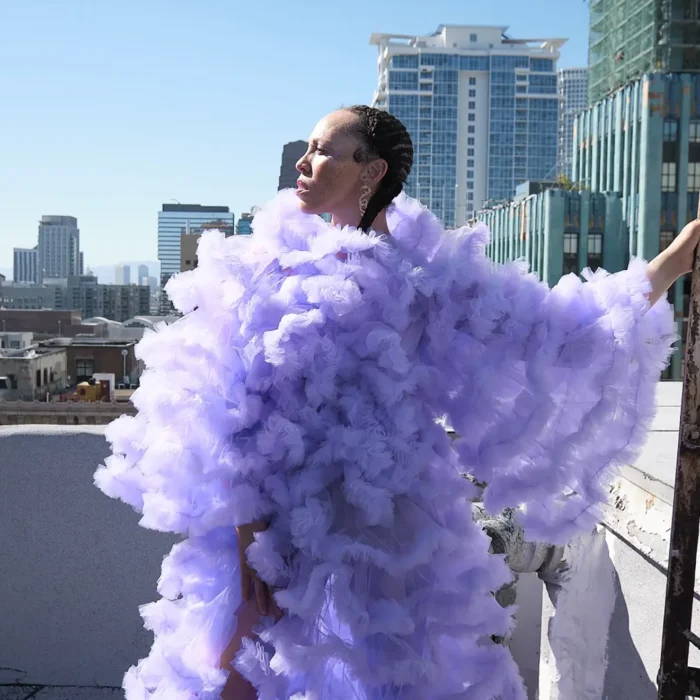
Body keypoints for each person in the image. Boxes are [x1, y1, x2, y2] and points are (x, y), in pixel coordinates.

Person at [95, 105, 694, 700]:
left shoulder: (425, 279)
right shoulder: (270, 264)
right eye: (308, 148)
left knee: (375, 681)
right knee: (234, 677)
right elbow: (237, 402)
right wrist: (250, 534)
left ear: (371, 170)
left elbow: (552, 331)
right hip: (273, 523)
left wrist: (676, 258)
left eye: (324, 150)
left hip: (382, 531)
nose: (304, 163)